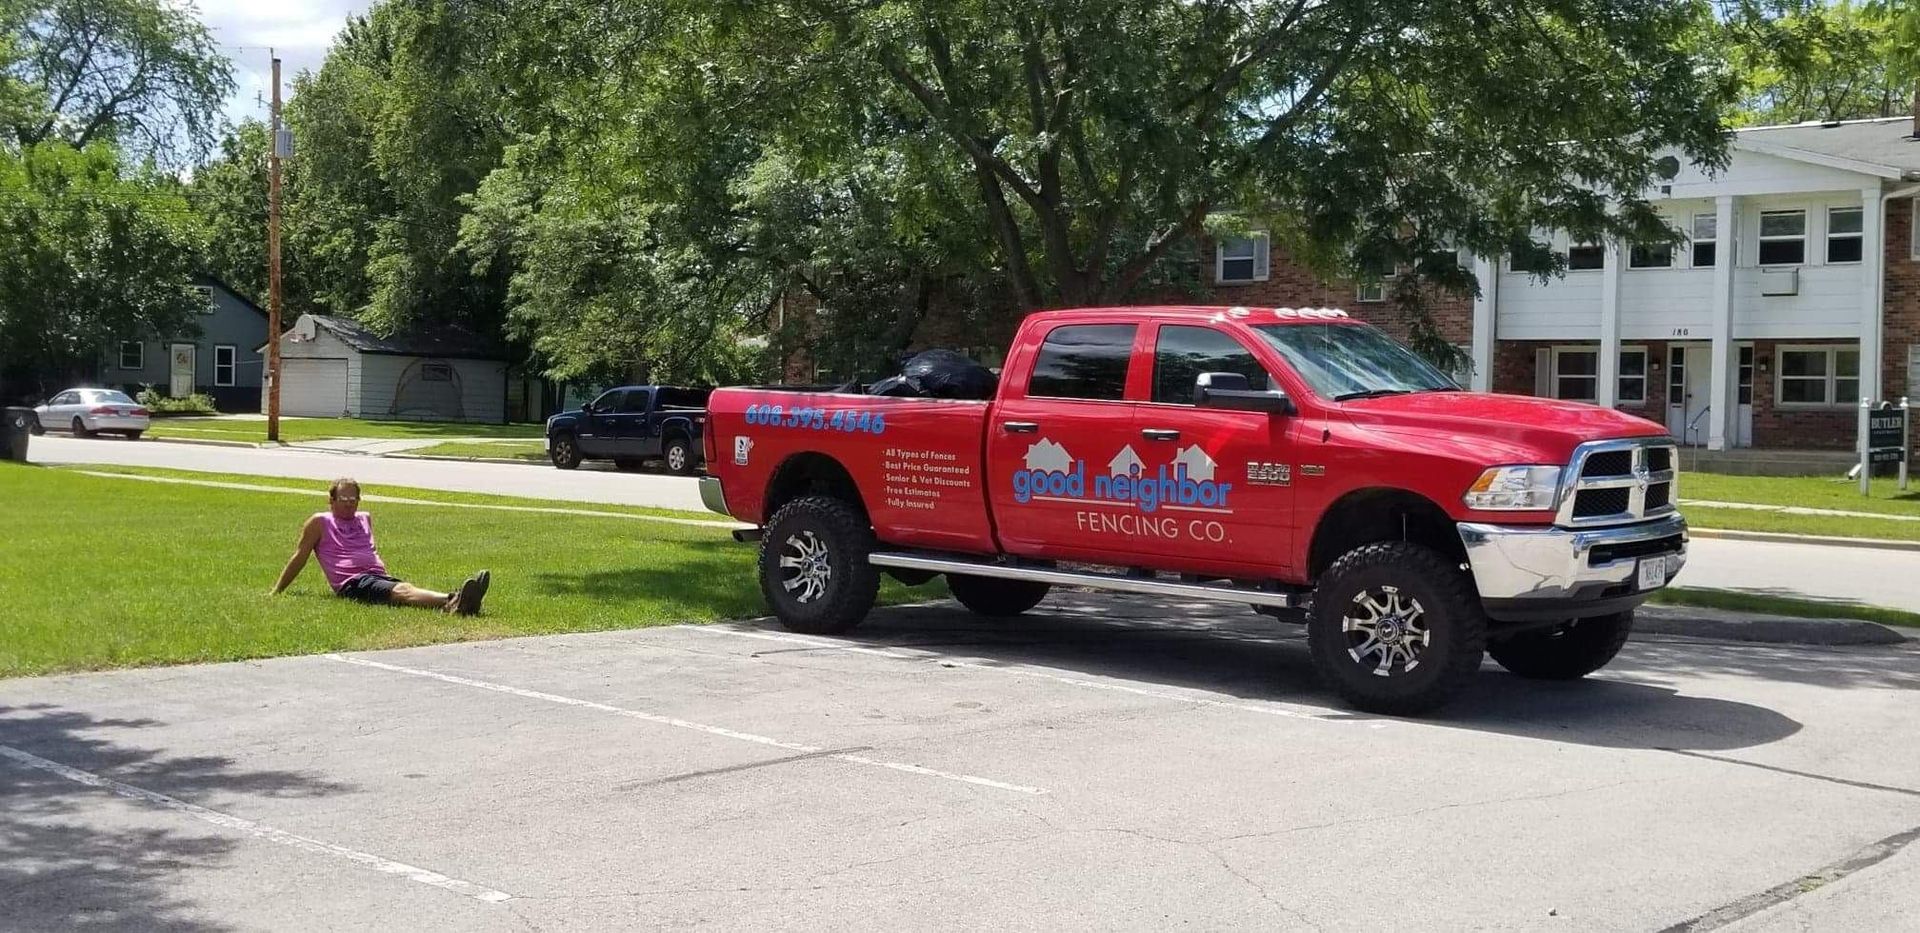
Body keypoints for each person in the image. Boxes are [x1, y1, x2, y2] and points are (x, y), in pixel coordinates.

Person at [271, 477, 490, 614]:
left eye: (353, 499)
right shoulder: (320, 522)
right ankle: (454, 599)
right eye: (343, 499)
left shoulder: (364, 518)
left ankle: (459, 601)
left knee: (405, 589)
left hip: (376, 576)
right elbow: (299, 557)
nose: (349, 504)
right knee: (402, 591)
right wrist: (277, 590)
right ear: (332, 501)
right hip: (352, 582)